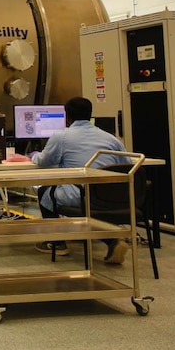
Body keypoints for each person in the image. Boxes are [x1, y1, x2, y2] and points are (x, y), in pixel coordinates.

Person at [30, 96, 130, 264]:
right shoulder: (111, 139)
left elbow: (44, 161)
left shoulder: (62, 136)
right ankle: (112, 239)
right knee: (89, 202)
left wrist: (33, 155)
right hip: (109, 197)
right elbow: (126, 166)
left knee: (44, 191)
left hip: (79, 195)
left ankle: (58, 243)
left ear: (66, 116)